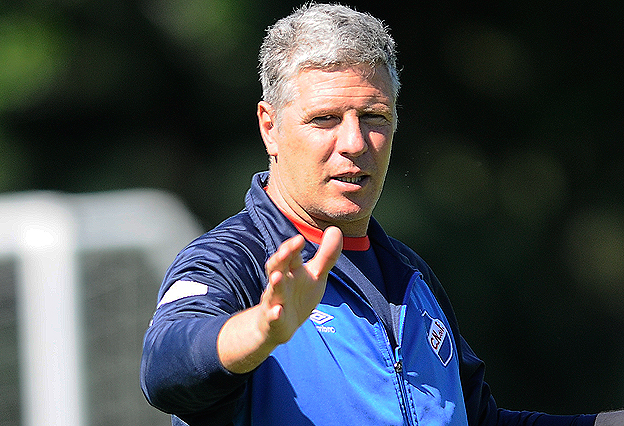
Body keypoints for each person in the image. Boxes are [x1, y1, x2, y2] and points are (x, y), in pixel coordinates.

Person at [140, 3, 623, 426]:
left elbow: (478, 420)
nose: (354, 143)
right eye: (325, 119)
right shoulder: (233, 260)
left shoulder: (410, 275)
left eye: (374, 118)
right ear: (270, 127)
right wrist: (262, 330)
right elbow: (166, 367)